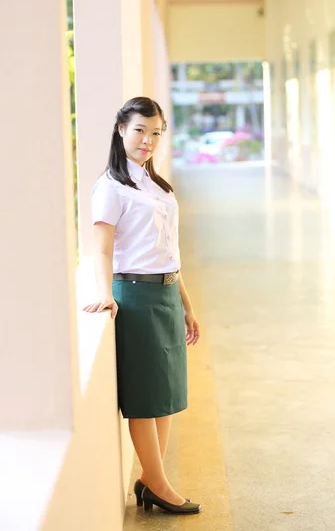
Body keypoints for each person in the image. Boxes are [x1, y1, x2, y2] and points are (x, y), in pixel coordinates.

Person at [83, 97, 201, 515]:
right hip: (135, 297)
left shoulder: (156, 185)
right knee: (145, 396)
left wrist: (186, 303)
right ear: (120, 130)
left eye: (155, 133)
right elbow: (101, 251)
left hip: (166, 294)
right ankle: (159, 485)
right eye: (139, 131)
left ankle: (152, 479)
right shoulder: (110, 187)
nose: (148, 141)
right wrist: (104, 293)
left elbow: (169, 252)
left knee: (165, 395)